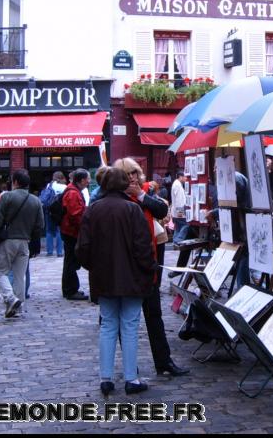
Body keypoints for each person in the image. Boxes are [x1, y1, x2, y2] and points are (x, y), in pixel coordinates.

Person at [79, 167, 157, 397]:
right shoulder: (133, 209)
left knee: (108, 325)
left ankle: (106, 377)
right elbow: (144, 247)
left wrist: (94, 266)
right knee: (130, 326)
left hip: (104, 277)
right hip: (132, 277)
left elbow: (83, 247)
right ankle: (131, 378)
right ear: (124, 184)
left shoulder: (93, 210)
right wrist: (148, 269)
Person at [112, 158, 189, 377]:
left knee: (154, 315)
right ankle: (130, 367)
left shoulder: (144, 194)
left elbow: (162, 209)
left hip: (150, 262)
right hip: (128, 266)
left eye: (135, 173)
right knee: (127, 320)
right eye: (127, 175)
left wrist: (142, 196)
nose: (133, 178)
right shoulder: (115, 198)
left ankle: (163, 362)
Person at [0, 169, 44, 319]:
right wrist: (34, 241)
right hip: (25, 241)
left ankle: (10, 299)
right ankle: (17, 308)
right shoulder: (35, 200)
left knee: (0, 272)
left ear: (15, 182)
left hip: (8, 240)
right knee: (20, 276)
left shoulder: (8, 197)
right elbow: (40, 225)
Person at [60, 168, 91, 300]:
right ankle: (70, 290)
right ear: (82, 180)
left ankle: (70, 288)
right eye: (88, 179)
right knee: (71, 262)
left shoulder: (73, 190)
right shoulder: (73, 193)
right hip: (71, 232)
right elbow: (75, 214)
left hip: (70, 230)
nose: (89, 181)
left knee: (71, 261)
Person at [43, 171, 66, 257]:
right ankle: (59, 252)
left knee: (49, 230)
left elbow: (45, 198)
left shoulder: (50, 185)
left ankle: (49, 251)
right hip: (60, 211)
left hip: (49, 210)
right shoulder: (65, 187)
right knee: (59, 231)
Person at [170, 170, 188, 244]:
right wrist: (180, 213)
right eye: (185, 177)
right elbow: (179, 201)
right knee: (184, 225)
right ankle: (178, 241)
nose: (186, 178)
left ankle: (175, 241)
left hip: (176, 211)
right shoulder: (177, 185)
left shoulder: (177, 184)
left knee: (178, 227)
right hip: (179, 210)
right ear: (180, 177)